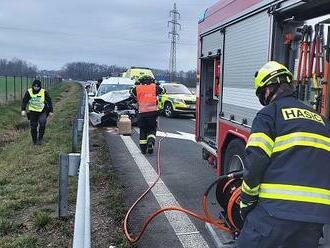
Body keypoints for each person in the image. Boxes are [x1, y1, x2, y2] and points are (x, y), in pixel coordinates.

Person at [238, 61, 330, 247]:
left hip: (275, 213)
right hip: (315, 218)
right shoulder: (321, 120)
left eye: (262, 93)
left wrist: (246, 201)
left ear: (269, 88)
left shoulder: (270, 114)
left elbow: (256, 161)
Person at [130, 75, 165, 154]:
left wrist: (137, 84)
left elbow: (131, 92)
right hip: (152, 113)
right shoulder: (155, 87)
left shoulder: (137, 88)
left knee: (143, 130)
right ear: (151, 81)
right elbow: (163, 91)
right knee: (152, 128)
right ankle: (150, 142)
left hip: (142, 113)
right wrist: (157, 84)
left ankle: (143, 149)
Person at [21, 79, 53, 145]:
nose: (36, 88)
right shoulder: (29, 92)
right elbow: (24, 101)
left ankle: (40, 139)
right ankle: (34, 141)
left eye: (37, 87)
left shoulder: (44, 92)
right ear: (33, 86)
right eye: (34, 86)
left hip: (42, 111)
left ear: (40, 87)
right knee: (33, 127)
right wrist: (23, 110)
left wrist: (51, 111)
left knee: (42, 123)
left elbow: (49, 101)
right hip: (33, 112)